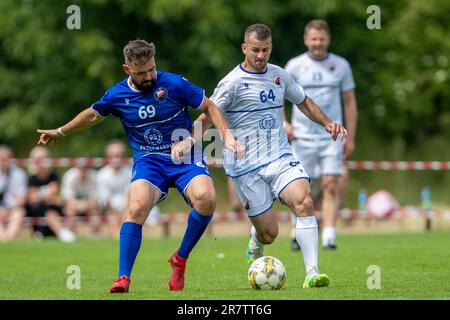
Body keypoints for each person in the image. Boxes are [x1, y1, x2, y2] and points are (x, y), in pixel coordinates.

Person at [36, 39, 243, 293]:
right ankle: (123, 278)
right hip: (149, 160)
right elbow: (92, 115)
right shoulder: (117, 95)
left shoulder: (174, 83)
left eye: (152, 69)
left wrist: (227, 136)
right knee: (136, 207)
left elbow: (209, 106)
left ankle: (180, 258)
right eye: (141, 73)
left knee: (207, 198)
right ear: (127, 70)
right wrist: (60, 131)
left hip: (184, 156)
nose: (149, 76)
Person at [196, 23, 346, 288]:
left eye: (265, 50)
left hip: (279, 156)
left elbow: (303, 101)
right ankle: (256, 238)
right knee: (269, 234)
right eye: (255, 50)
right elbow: (209, 114)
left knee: (303, 201)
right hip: (245, 168)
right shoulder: (232, 83)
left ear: (271, 48)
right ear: (244, 48)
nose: (260, 55)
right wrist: (188, 140)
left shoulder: (279, 76)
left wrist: (327, 122)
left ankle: (312, 272)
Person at [284, 19, 357, 250]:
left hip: (332, 136)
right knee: (299, 187)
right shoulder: (294, 66)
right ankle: (297, 233)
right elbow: (278, 97)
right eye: (313, 39)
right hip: (302, 137)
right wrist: (284, 123)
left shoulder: (341, 66)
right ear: (306, 40)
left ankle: (328, 236)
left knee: (330, 185)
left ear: (328, 40)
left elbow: (350, 103)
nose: (318, 43)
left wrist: (351, 137)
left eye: (322, 39)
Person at [25, 146, 76, 242]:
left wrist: (41, 196)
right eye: (38, 159)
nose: (41, 162)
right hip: (37, 209)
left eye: (43, 159)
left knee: (66, 207)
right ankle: (62, 233)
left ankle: (69, 231)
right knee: (50, 212)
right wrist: (47, 197)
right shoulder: (31, 178)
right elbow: (32, 198)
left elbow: (53, 193)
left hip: (51, 206)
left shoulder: (53, 175)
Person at [61, 161, 102, 238]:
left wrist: (85, 205)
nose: (83, 170)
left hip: (88, 206)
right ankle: (71, 235)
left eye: (85, 168)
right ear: (77, 168)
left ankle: (95, 235)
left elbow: (95, 199)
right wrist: (79, 205)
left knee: (94, 211)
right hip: (75, 206)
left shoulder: (94, 176)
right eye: (81, 168)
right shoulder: (69, 176)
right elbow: (68, 199)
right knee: (70, 210)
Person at [0, 145, 27, 242]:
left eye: (4, 159)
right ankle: (3, 241)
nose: (2, 161)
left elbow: (22, 198)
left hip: (13, 208)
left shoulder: (19, 174)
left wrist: (8, 210)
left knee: (18, 213)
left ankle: (8, 240)